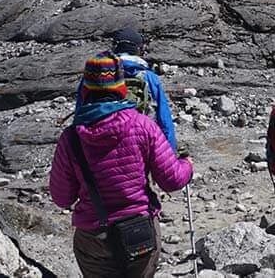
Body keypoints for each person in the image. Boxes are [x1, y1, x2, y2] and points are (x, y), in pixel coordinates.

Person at [51, 54, 193, 278]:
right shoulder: (142, 125)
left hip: (92, 236)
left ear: (86, 89)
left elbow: (61, 198)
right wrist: (186, 165)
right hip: (140, 231)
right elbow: (172, 180)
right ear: (121, 87)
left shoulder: (71, 137)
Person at [73, 27, 178, 153]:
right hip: (139, 142)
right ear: (138, 49)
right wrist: (170, 153)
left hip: (97, 146)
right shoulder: (149, 77)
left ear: (115, 47)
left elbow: (80, 112)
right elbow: (164, 119)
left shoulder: (94, 75)